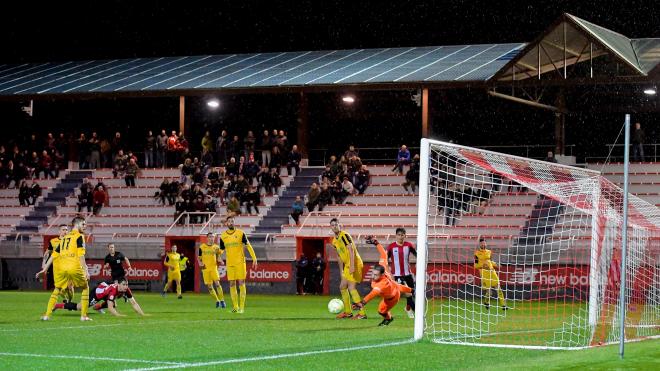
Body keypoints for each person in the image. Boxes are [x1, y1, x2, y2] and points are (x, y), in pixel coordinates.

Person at [36, 216, 91, 321]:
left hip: (62, 268)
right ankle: (83, 316)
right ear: (77, 224)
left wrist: (44, 269)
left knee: (57, 289)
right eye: (83, 224)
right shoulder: (79, 236)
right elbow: (81, 255)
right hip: (74, 266)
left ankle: (47, 315)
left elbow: (54, 255)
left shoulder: (64, 237)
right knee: (85, 287)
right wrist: (86, 270)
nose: (85, 226)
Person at [329, 218, 366, 319]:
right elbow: (339, 256)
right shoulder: (334, 241)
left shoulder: (344, 235)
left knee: (351, 287)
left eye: (336, 224)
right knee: (342, 287)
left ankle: (362, 314)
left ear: (339, 225)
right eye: (333, 225)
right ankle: (348, 312)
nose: (335, 226)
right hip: (347, 265)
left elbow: (351, 250)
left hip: (355, 263)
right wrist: (341, 270)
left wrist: (353, 265)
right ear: (331, 227)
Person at [219, 216, 257, 313]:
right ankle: (235, 307)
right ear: (226, 223)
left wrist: (254, 258)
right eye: (229, 221)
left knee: (241, 283)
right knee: (232, 284)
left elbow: (248, 245)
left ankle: (242, 308)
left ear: (234, 223)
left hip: (240, 262)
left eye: (232, 221)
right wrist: (217, 255)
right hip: (230, 263)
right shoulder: (223, 236)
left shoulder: (241, 233)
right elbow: (221, 249)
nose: (231, 223)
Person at [53, 279, 147, 317]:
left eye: (127, 284)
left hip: (105, 289)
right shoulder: (113, 291)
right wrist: (119, 315)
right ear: (119, 284)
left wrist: (142, 314)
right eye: (124, 284)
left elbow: (134, 303)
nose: (126, 286)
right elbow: (110, 308)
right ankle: (57, 305)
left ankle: (97, 307)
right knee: (80, 307)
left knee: (113, 302)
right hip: (97, 292)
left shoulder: (126, 290)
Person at [385, 228, 416, 318]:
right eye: (398, 235)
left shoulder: (409, 245)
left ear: (405, 235)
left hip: (408, 274)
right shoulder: (391, 247)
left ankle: (407, 308)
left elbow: (417, 255)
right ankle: (418, 314)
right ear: (396, 235)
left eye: (402, 235)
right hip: (397, 275)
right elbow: (385, 260)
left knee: (411, 294)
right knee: (408, 294)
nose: (400, 237)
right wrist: (389, 273)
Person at [42, 224, 74, 303]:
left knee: (70, 287)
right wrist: (44, 265)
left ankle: (70, 301)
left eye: (66, 230)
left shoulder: (71, 241)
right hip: (57, 270)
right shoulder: (53, 241)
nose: (65, 231)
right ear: (59, 231)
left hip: (68, 268)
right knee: (59, 289)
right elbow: (47, 254)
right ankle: (66, 299)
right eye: (63, 230)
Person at [474, 238, 507, 310]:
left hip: (492, 272)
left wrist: (496, 264)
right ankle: (487, 302)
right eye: (481, 243)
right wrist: (483, 266)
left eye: (484, 243)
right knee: (489, 291)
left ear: (486, 244)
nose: (483, 244)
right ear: (480, 245)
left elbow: (490, 261)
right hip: (484, 273)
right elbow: (475, 265)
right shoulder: (476, 253)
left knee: (498, 288)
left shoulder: (489, 252)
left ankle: (503, 305)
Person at [198, 233, 226, 308]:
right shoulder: (202, 247)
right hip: (205, 269)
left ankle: (222, 300)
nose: (212, 238)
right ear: (207, 238)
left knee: (217, 284)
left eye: (213, 237)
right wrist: (200, 263)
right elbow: (199, 258)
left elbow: (219, 257)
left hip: (213, 268)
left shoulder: (216, 247)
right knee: (210, 287)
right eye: (210, 237)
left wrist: (221, 261)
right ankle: (217, 300)